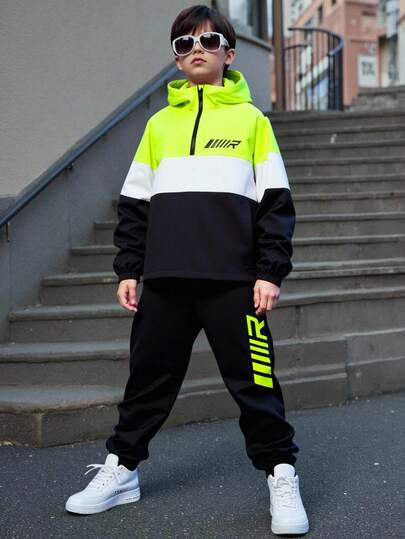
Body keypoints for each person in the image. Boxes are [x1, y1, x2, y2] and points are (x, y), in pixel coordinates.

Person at [65, 4, 309, 535]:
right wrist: (129, 268)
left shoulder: (252, 122)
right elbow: (135, 205)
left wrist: (270, 272)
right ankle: (122, 470)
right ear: (177, 60)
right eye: (184, 44)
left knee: (255, 385)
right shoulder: (158, 126)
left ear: (229, 53)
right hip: (166, 282)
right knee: (145, 383)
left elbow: (275, 204)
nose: (196, 49)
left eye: (208, 40)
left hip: (234, 284)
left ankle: (281, 473)